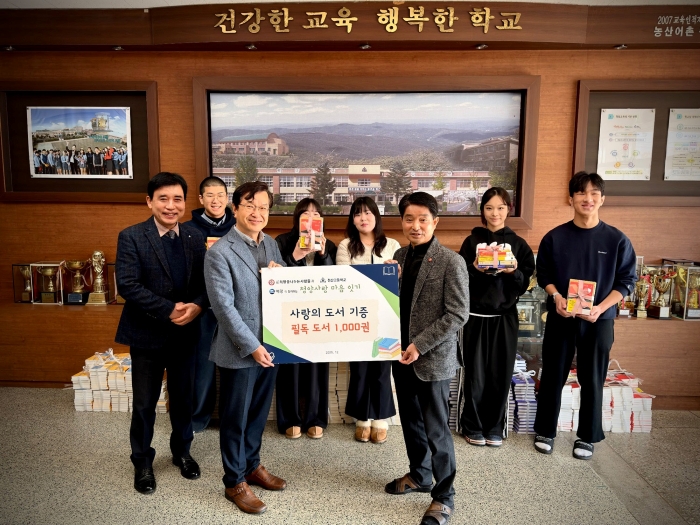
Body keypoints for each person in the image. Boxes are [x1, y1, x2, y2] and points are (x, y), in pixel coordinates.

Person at [115, 172, 207, 495]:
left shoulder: (194, 236)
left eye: (177, 199)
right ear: (149, 201)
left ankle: (182, 451)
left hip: (185, 334)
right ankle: (142, 461)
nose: (171, 206)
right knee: (144, 403)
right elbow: (128, 285)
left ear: (184, 202)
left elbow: (205, 284)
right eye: (163, 199)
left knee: (183, 400)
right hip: (147, 334)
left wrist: (197, 306)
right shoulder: (132, 236)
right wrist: (169, 309)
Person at [533, 171, 636, 460]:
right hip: (562, 317)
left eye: (593, 193)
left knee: (593, 377)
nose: (587, 198)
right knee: (553, 374)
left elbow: (626, 281)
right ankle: (545, 430)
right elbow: (544, 275)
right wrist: (556, 296)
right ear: (571, 199)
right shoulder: (555, 237)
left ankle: (588, 436)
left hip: (599, 320)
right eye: (580, 193)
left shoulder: (617, 239)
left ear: (602, 199)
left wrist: (602, 308)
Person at [384, 192, 469, 525]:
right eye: (409, 219)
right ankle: (420, 474)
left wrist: (419, 344)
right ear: (402, 222)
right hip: (400, 354)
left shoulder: (451, 261)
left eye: (422, 219)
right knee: (411, 421)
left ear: (435, 222)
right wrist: (387, 280)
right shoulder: (399, 256)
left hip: (431, 358)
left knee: (436, 428)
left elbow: (457, 314)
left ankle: (444, 496)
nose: (415, 225)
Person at [204, 181, 287, 516]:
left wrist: (283, 275)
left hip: (272, 347)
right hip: (240, 350)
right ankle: (234, 481)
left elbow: (284, 291)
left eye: (263, 207)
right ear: (235, 208)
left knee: (257, 414)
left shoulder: (271, 245)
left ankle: (252, 466)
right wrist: (252, 346)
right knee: (235, 418)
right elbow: (223, 308)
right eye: (250, 205)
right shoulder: (219, 252)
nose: (257, 213)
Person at [457, 187, 535, 448]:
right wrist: (475, 268)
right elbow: (460, 279)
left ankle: (494, 427)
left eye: (500, 207)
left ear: (508, 209)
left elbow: (524, 284)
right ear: (482, 210)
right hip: (475, 317)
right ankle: (472, 425)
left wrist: (513, 271)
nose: (495, 213)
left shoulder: (519, 245)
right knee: (475, 375)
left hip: (505, 317)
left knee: (500, 374)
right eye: (489, 208)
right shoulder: (471, 242)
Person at [336, 196, 401, 444]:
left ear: (376, 216)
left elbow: (400, 280)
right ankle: (362, 419)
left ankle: (381, 419)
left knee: (382, 369)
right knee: (360, 369)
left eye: (368, 213)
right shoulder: (346, 246)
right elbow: (342, 279)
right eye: (357, 213)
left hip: (386, 316)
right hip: (357, 317)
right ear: (352, 219)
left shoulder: (392, 245)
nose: (363, 218)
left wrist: (397, 271)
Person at [274, 197, 337, 440]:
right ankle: (289, 419)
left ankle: (316, 418)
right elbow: (276, 277)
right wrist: (296, 255)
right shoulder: (282, 241)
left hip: (320, 315)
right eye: (305, 214)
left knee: (318, 367)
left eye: (316, 214)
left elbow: (335, 281)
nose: (311, 218)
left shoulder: (330, 245)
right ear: (297, 218)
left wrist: (322, 254)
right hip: (289, 314)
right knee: (288, 366)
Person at [183, 176, 236, 433]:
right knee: (202, 368)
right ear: (201, 199)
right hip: (201, 309)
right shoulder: (187, 230)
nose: (216, 200)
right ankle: (197, 420)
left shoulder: (239, 228)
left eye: (220, 195)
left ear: (227, 199)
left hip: (234, 308)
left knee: (233, 366)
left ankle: (231, 420)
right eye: (210, 195)